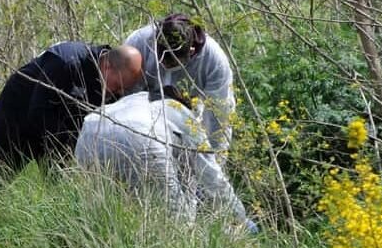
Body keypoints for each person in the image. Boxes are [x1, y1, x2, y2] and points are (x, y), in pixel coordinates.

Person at [74, 87, 255, 231]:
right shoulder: (181, 111)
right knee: (178, 224)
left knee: (107, 212)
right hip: (141, 135)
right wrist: (240, 216)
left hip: (89, 134)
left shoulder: (134, 99)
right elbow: (211, 173)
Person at [0, 42, 143, 189]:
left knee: (61, 188)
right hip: (18, 113)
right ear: (107, 66)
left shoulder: (111, 82)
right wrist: (69, 145)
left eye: (124, 88)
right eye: (118, 86)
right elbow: (39, 112)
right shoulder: (65, 61)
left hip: (57, 125)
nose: (119, 93)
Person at [124, 13, 234, 156]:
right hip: (141, 116)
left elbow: (218, 115)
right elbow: (123, 91)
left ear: (191, 51)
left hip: (187, 120)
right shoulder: (139, 41)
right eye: (162, 59)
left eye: (172, 63)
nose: (165, 64)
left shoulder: (214, 61)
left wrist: (214, 157)